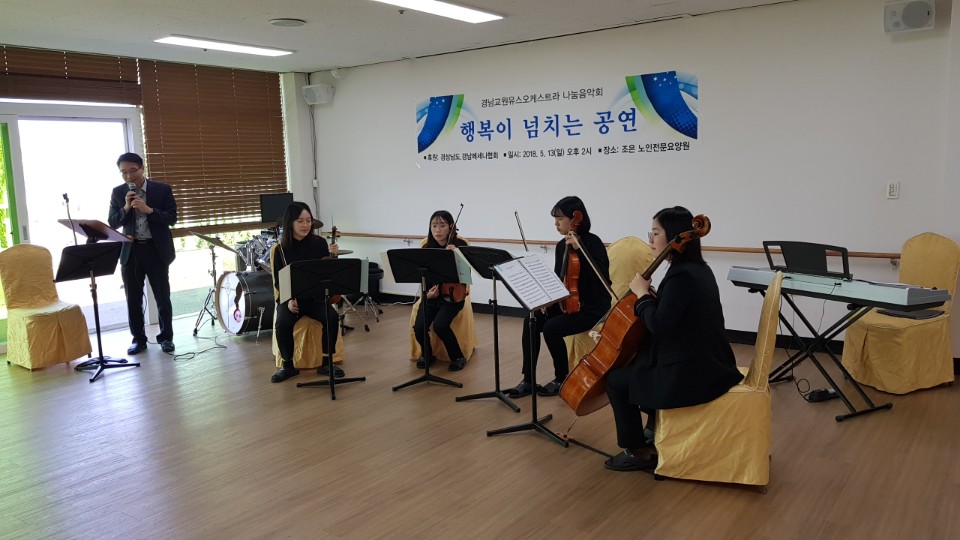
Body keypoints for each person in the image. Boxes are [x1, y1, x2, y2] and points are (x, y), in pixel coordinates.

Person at [603, 206, 743, 472]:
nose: (651, 241)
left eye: (655, 233)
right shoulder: (698, 269)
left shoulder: (681, 276)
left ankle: (637, 451)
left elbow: (659, 325)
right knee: (643, 362)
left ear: (675, 236)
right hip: (711, 362)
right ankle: (654, 427)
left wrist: (642, 295)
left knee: (616, 381)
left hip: (693, 375)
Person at [508, 196, 611, 398]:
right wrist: (548, 300)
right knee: (531, 320)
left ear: (575, 219)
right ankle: (528, 379)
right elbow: (559, 279)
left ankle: (562, 378)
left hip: (592, 306)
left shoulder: (593, 242)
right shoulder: (561, 245)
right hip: (569, 302)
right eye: (555, 219)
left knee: (551, 328)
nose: (556, 224)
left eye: (560, 219)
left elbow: (601, 278)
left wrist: (580, 250)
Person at [108, 152, 178, 355]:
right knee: (133, 299)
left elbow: (172, 218)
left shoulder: (162, 190)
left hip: (155, 250)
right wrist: (126, 207)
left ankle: (166, 338)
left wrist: (149, 210)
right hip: (131, 251)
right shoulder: (118, 192)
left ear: (142, 168)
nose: (128, 176)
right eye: (123, 172)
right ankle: (138, 340)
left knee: (162, 297)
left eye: (132, 171)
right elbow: (113, 222)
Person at [270, 201, 343, 383]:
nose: (305, 225)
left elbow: (328, 273)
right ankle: (288, 366)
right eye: (300, 221)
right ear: (290, 223)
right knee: (283, 322)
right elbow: (279, 281)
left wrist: (333, 256)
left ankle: (326, 362)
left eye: (308, 220)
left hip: (315, 297)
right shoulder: (280, 249)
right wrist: (288, 299)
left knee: (332, 317)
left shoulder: (319, 243)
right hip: (292, 299)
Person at [412, 210, 470, 372]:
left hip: (453, 296)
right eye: (434, 226)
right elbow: (423, 277)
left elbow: (467, 274)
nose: (437, 230)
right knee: (419, 327)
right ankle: (427, 355)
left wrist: (457, 255)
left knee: (440, 325)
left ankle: (458, 357)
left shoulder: (460, 245)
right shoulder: (426, 247)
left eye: (442, 226)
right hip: (432, 295)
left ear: (451, 227)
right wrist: (426, 295)